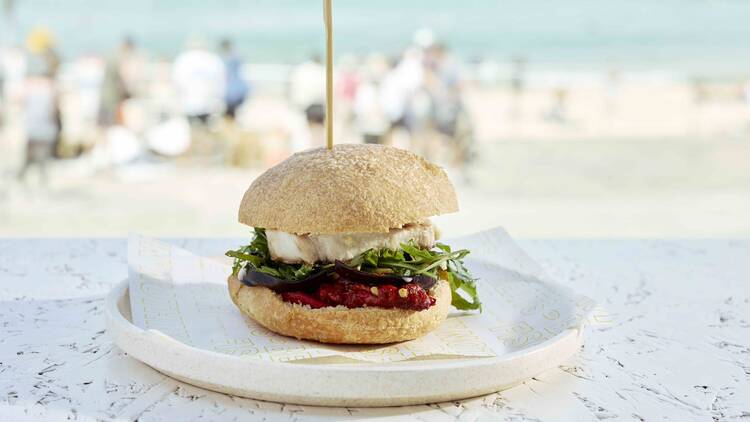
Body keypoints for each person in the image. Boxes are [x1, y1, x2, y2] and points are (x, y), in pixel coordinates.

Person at [172, 37, 225, 125]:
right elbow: (220, 83)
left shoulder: (183, 59)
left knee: (191, 128)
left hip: (189, 103)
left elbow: (178, 83)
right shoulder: (213, 60)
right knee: (207, 131)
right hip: (209, 103)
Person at [220, 38, 249, 120]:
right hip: (240, 89)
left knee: (229, 114)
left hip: (232, 91)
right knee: (232, 114)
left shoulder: (228, 59)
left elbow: (226, 75)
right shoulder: (237, 56)